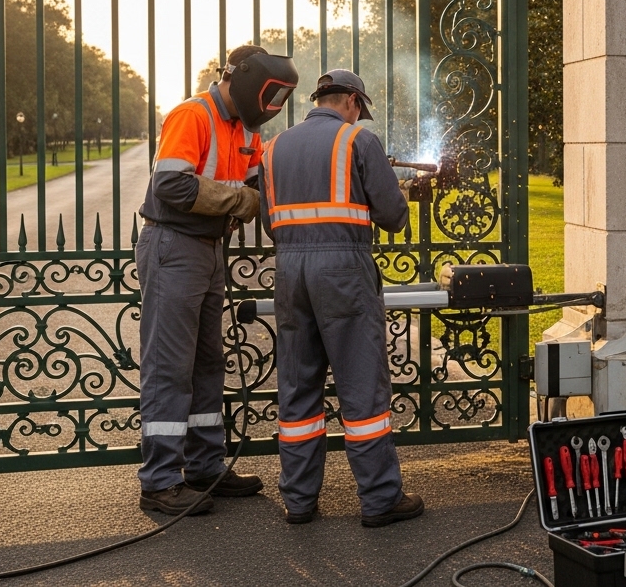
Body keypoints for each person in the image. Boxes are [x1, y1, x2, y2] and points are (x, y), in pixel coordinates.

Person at [136, 44, 299, 514]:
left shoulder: (244, 129)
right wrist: (240, 201)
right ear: (243, 79)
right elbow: (170, 184)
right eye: (271, 94)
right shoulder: (193, 115)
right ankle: (160, 481)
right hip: (174, 245)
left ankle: (205, 467)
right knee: (170, 366)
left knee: (207, 363)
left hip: (208, 248)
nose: (273, 105)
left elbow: (260, 182)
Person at [260, 69, 423, 527]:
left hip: (290, 271)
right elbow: (392, 216)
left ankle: (298, 500)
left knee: (297, 386)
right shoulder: (358, 141)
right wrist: (398, 191)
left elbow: (271, 223)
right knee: (361, 383)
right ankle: (380, 498)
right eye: (359, 109)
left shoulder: (273, 148)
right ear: (352, 100)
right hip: (342, 270)